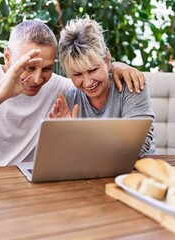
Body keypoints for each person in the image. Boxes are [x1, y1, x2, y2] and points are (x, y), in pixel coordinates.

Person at [0, 20, 147, 167]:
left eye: (46, 69)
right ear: (8, 57)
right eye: (28, 68)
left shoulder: (60, 88)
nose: (38, 80)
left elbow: (87, 79)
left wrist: (116, 67)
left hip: (25, 184)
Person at [48, 16, 155, 156]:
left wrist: (77, 140)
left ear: (107, 59)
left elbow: (139, 143)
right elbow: (61, 156)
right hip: (88, 174)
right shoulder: (68, 99)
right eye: (77, 74)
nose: (87, 83)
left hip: (136, 170)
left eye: (93, 70)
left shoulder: (131, 85)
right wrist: (62, 136)